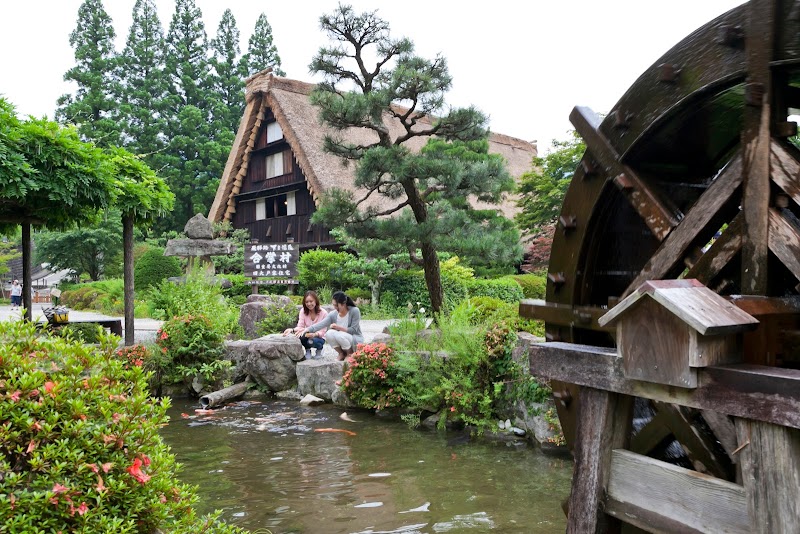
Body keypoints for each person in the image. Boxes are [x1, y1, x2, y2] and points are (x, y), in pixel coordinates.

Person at [300, 291, 363, 361]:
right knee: (329, 333)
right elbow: (320, 324)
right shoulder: (333, 314)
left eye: (336, 305)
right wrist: (307, 329)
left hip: (353, 338)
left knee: (339, 334)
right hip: (341, 337)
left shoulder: (354, 311)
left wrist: (338, 327)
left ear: (344, 303)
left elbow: (354, 330)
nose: (335, 307)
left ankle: (349, 353)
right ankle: (341, 353)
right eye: (334, 305)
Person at [283, 291, 328, 359]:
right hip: (307, 334)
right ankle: (307, 350)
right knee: (300, 336)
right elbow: (300, 327)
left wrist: (314, 334)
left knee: (312, 341)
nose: (309, 304)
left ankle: (319, 349)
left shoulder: (324, 313)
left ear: (315, 301)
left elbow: (323, 331)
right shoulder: (303, 311)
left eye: (311, 301)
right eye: (307, 302)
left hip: (319, 337)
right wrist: (292, 330)